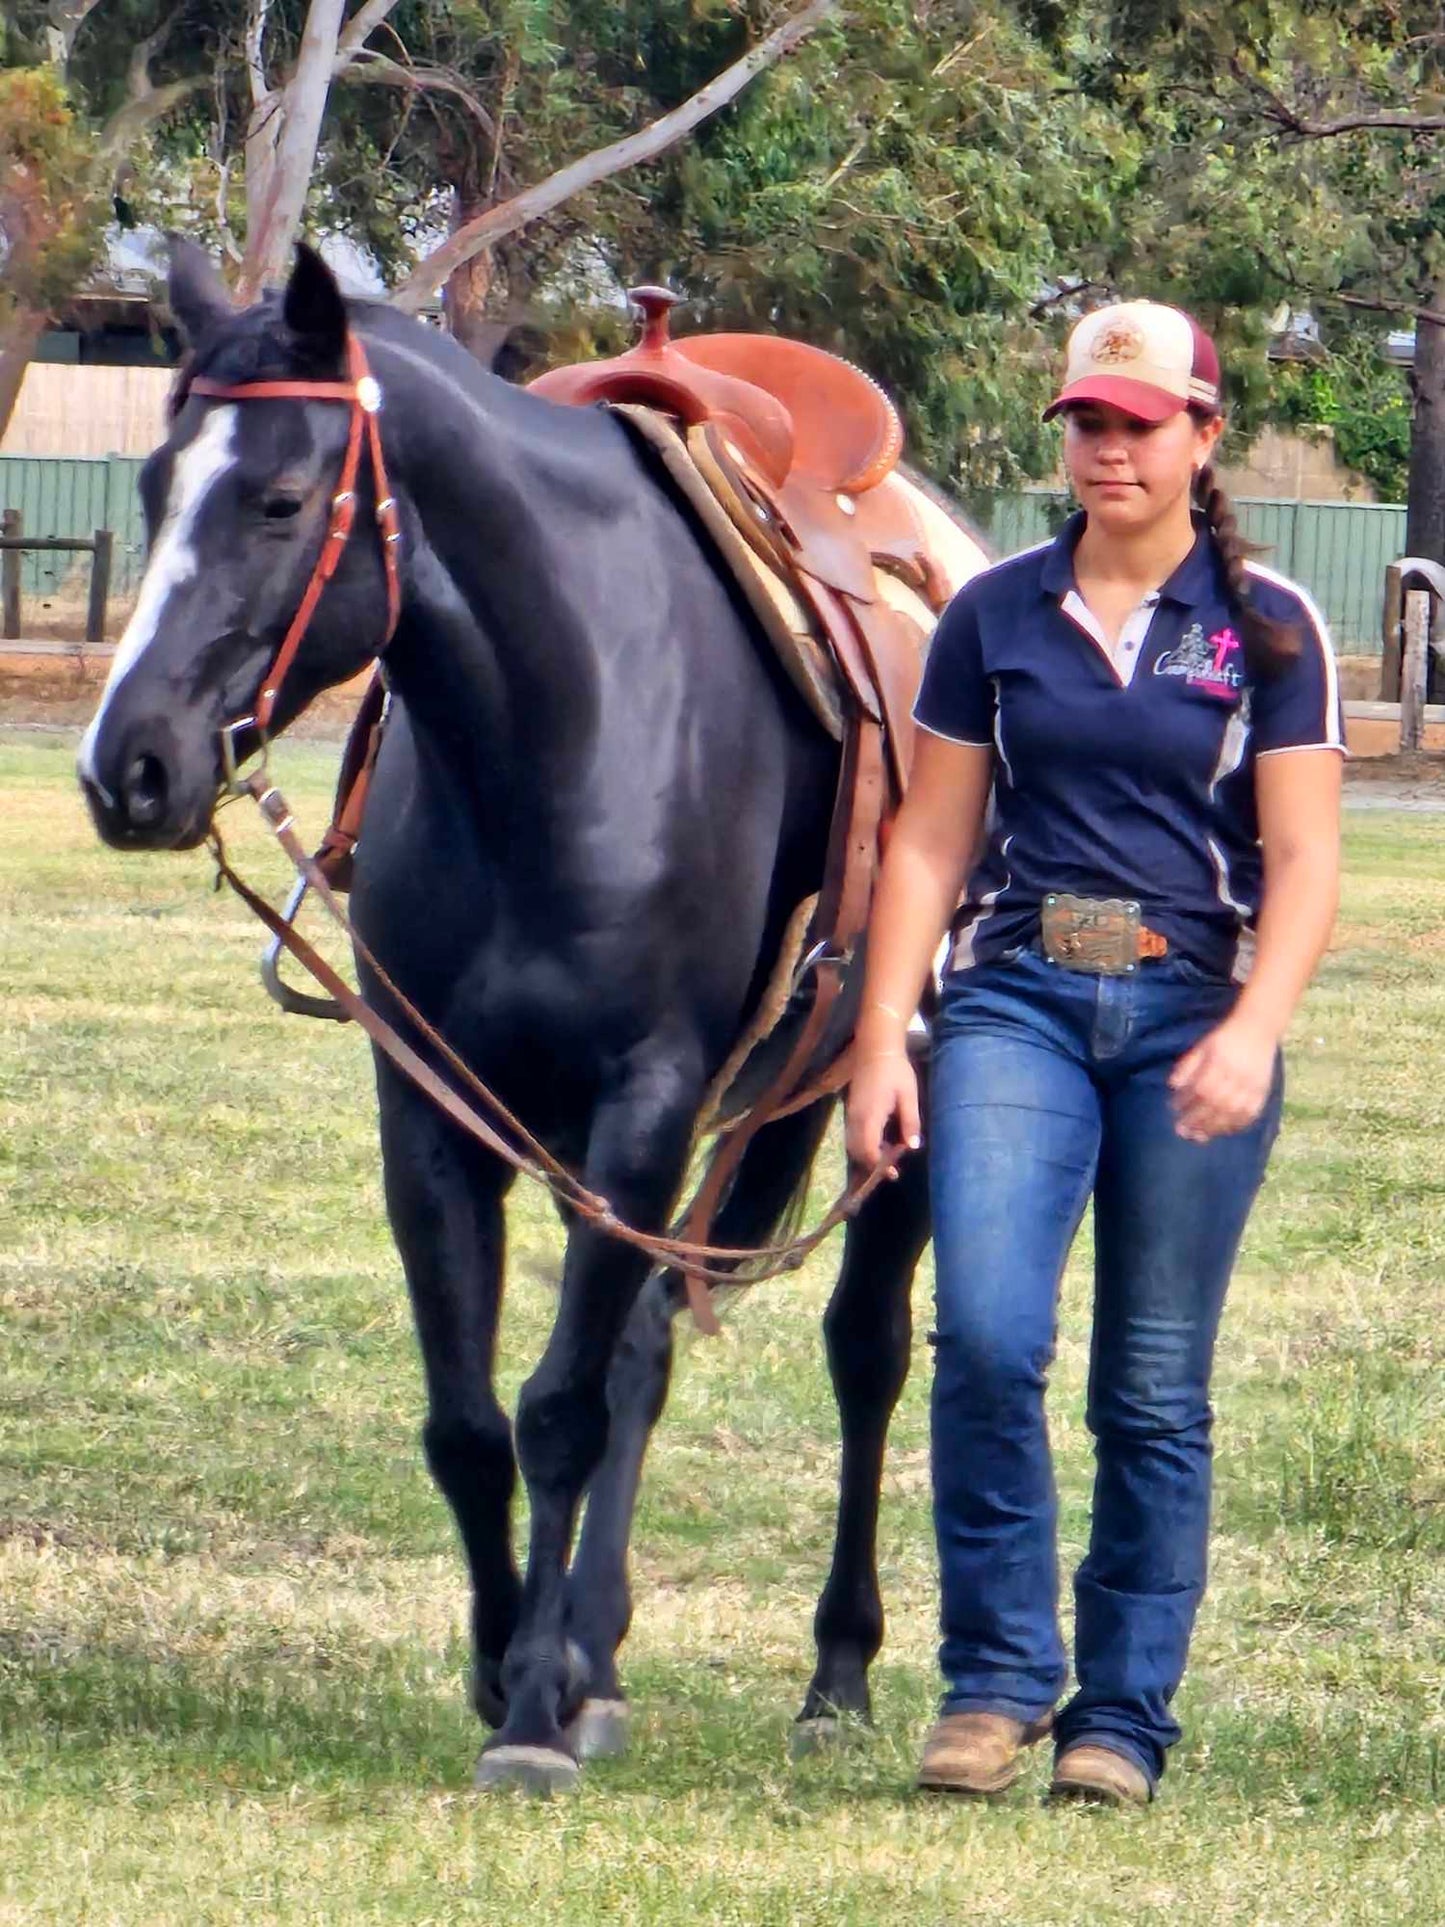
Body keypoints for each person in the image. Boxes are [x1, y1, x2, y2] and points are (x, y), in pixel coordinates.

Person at [846, 299, 1343, 1808]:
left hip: (1191, 1010)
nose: (1106, 448)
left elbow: (1306, 861)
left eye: (1137, 422)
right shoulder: (990, 613)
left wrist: (1255, 1029)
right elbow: (928, 840)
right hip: (1013, 1005)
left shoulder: (1265, 629)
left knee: (1150, 1390)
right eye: (1085, 422)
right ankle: (994, 1683)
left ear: (1202, 435)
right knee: (987, 1339)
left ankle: (1121, 1717)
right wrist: (882, 1034)